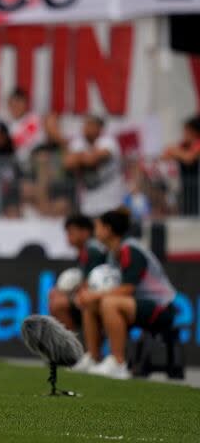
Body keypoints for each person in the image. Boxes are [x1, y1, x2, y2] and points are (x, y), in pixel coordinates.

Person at [79, 209, 177, 380]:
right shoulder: (111, 253)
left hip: (161, 307)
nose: (95, 232)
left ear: (108, 229)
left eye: (98, 227)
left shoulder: (130, 249)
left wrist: (95, 295)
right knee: (91, 305)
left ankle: (118, 363)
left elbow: (128, 289)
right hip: (135, 304)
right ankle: (93, 358)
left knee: (108, 303)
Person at [47, 215, 107, 370]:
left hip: (98, 299)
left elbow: (93, 283)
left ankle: (79, 353)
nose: (68, 237)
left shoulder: (93, 250)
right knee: (55, 298)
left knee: (58, 304)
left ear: (85, 232)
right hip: (91, 297)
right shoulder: (85, 252)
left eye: (71, 232)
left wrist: (69, 294)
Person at [64, 116, 125, 217]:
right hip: (87, 205)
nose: (85, 127)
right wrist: (87, 156)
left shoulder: (109, 141)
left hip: (111, 204)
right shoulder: (78, 142)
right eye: (85, 124)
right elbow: (68, 163)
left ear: (99, 128)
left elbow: (92, 160)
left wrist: (79, 157)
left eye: (90, 124)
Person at [162, 115, 200, 215]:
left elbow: (189, 158)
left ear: (194, 132)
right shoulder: (184, 146)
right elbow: (165, 155)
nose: (184, 134)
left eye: (186, 131)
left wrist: (175, 152)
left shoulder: (198, 144)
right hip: (187, 189)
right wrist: (175, 152)